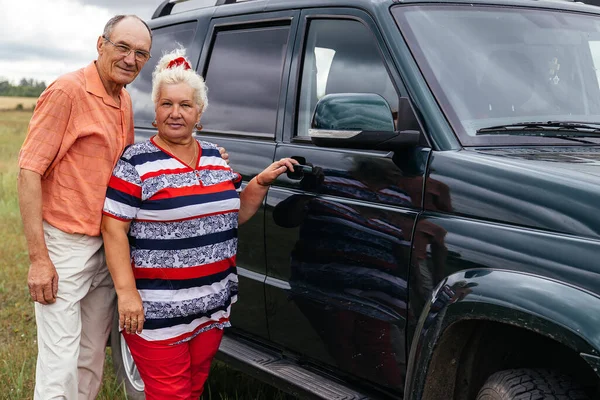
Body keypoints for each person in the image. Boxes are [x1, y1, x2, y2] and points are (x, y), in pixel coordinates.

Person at [100, 48, 297, 400]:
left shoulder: (213, 156)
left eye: (185, 105)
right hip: (157, 312)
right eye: (166, 104)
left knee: (193, 388)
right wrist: (127, 295)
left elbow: (233, 215)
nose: (175, 113)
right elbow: (113, 228)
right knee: (170, 394)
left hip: (210, 307)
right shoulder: (136, 162)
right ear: (155, 110)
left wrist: (261, 184)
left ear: (199, 113)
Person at [17, 15, 153, 400]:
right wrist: (39, 259)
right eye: (123, 47)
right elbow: (28, 172)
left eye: (140, 53)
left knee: (91, 358)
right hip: (65, 246)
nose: (130, 59)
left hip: (107, 246)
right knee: (59, 364)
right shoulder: (67, 91)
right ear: (101, 44)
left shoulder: (123, 99)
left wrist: (206, 154)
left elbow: (128, 169)